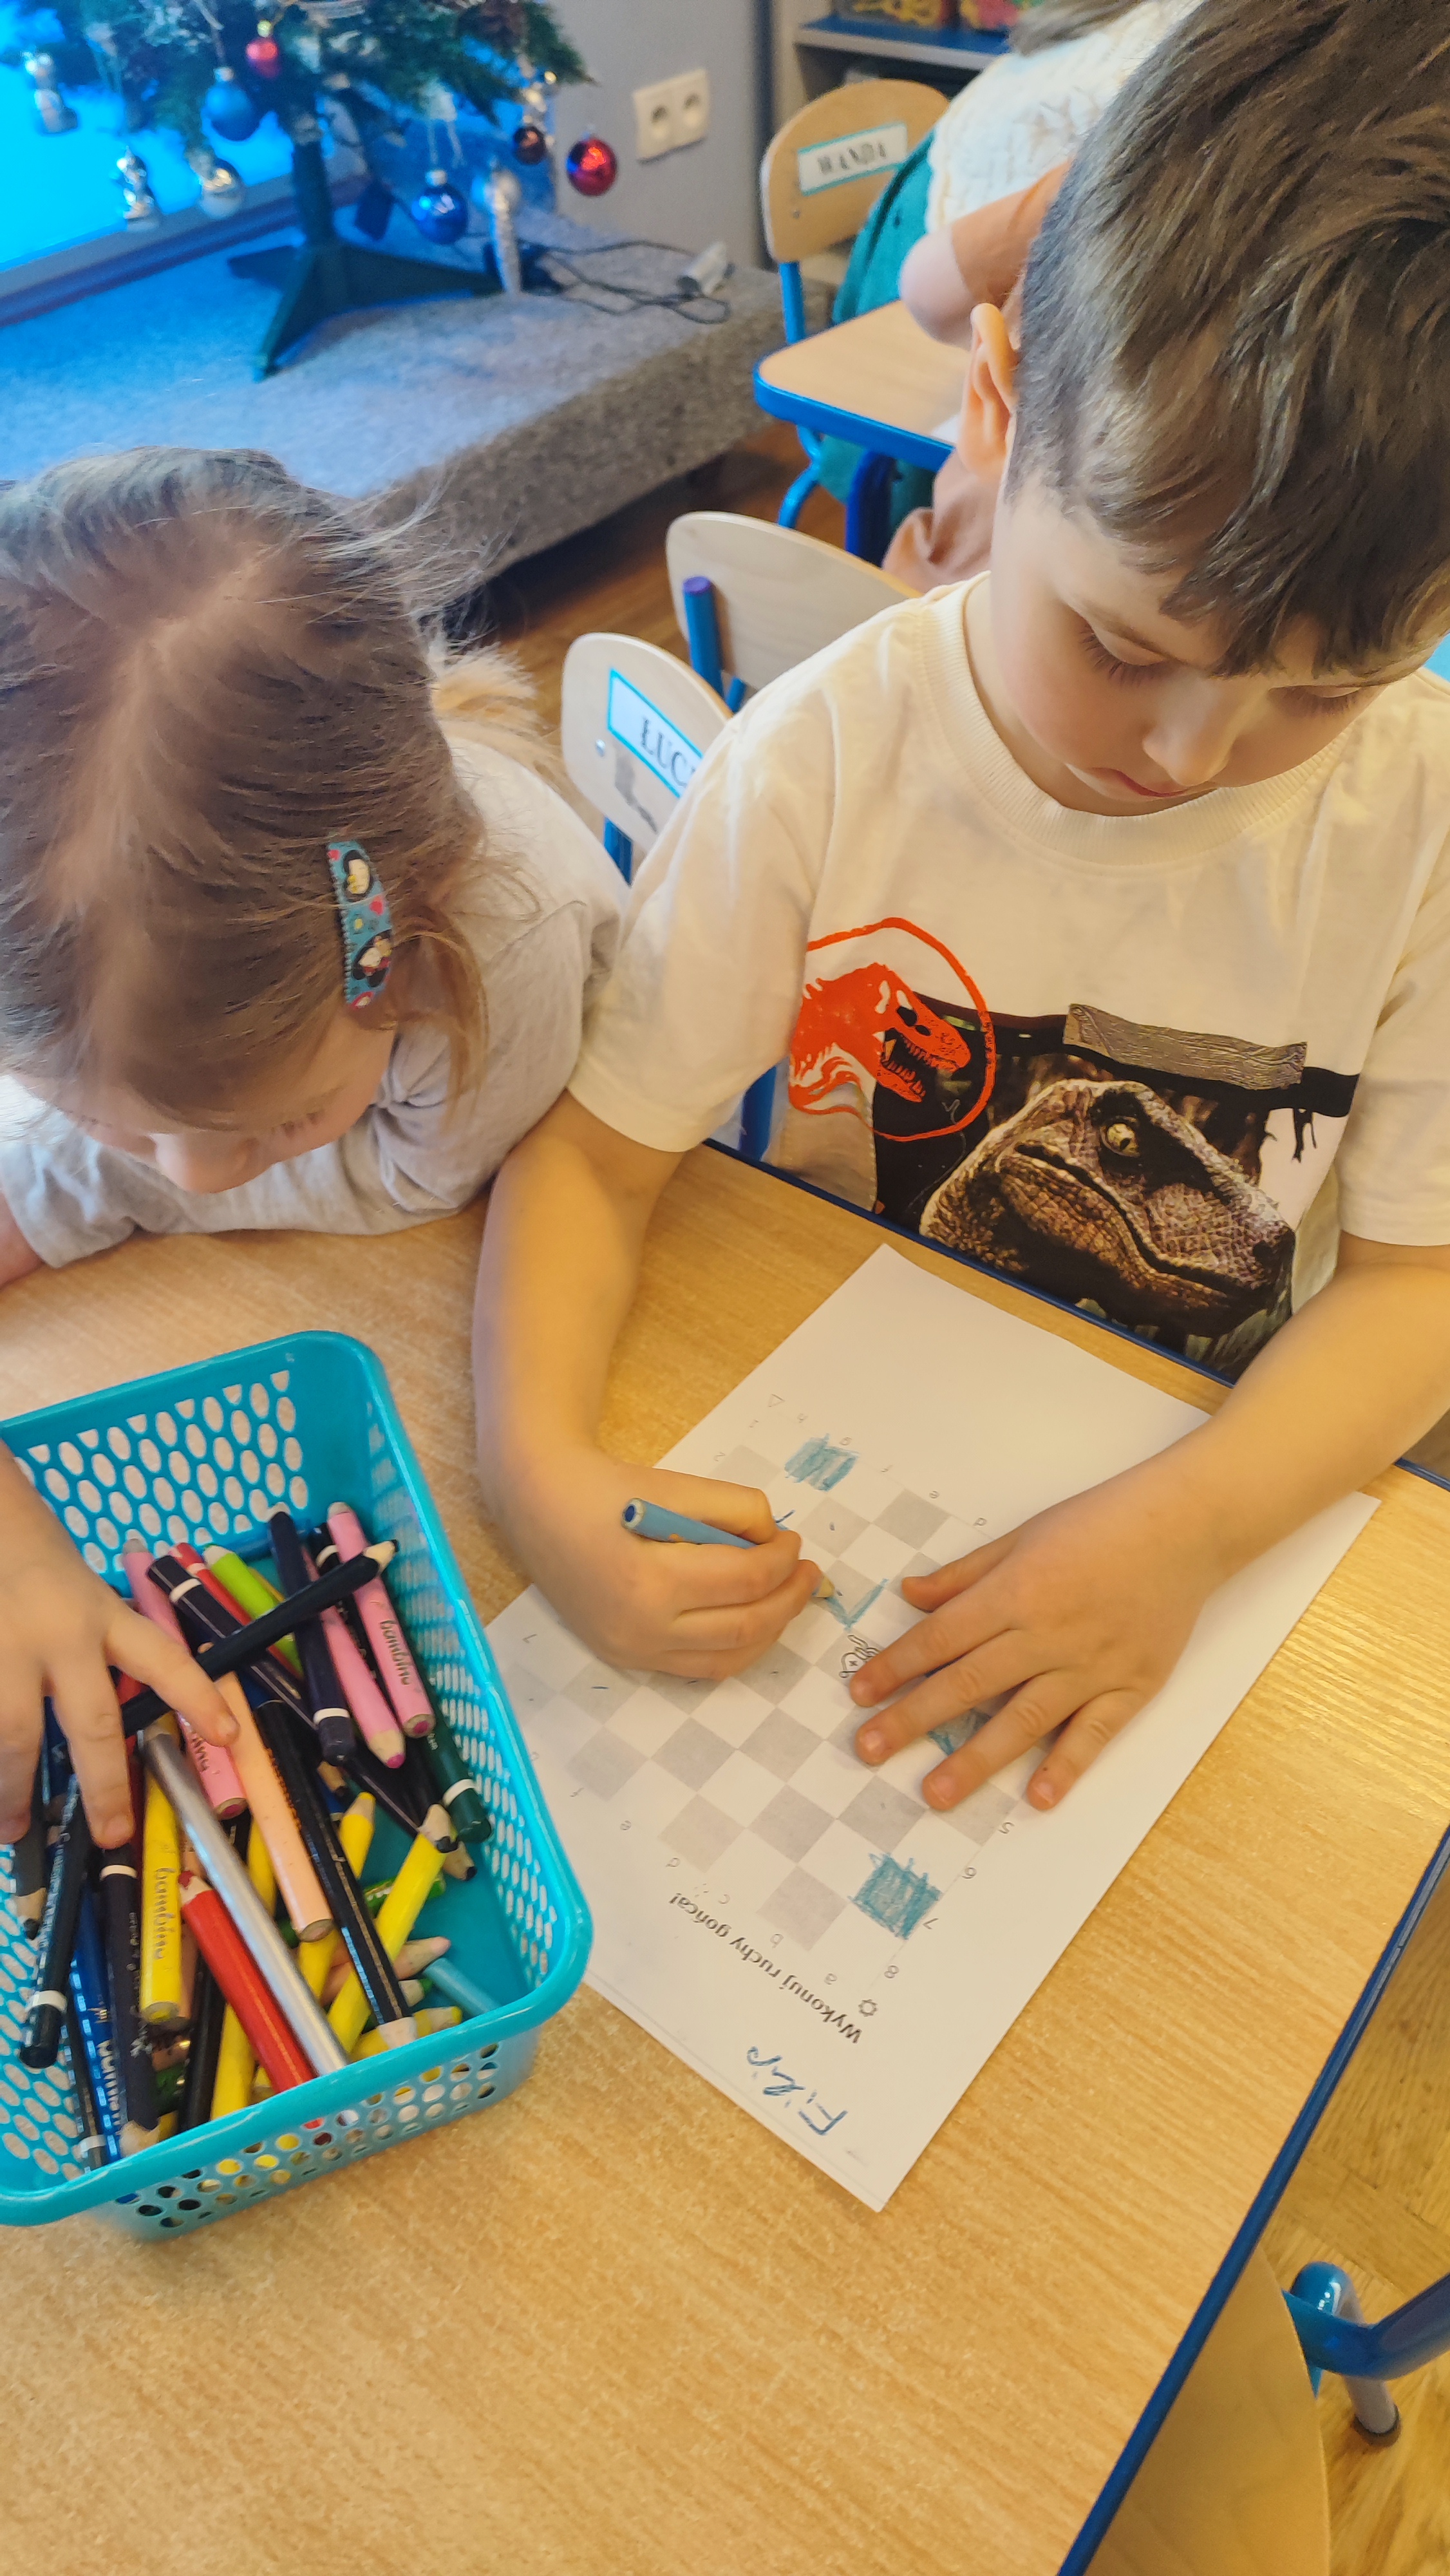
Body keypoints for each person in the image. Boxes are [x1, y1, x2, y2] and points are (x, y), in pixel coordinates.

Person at [476, 0, 1450, 1832]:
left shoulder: (1420, 819)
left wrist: (1188, 1528)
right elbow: (594, 1161)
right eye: (1122, 645)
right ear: (996, 402)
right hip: (840, 1450)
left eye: (1326, 689)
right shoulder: (821, 760)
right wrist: (536, 1468)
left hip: (1212, 1468)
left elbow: (1415, 1282)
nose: (1194, 755)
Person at [0, 446, 621, 1846]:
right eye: (104, 1114)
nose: (192, 1174)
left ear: (395, 939)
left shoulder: (504, 955)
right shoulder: (64, 960)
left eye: (275, 1123)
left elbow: (435, 1186)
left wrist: (95, 1175)